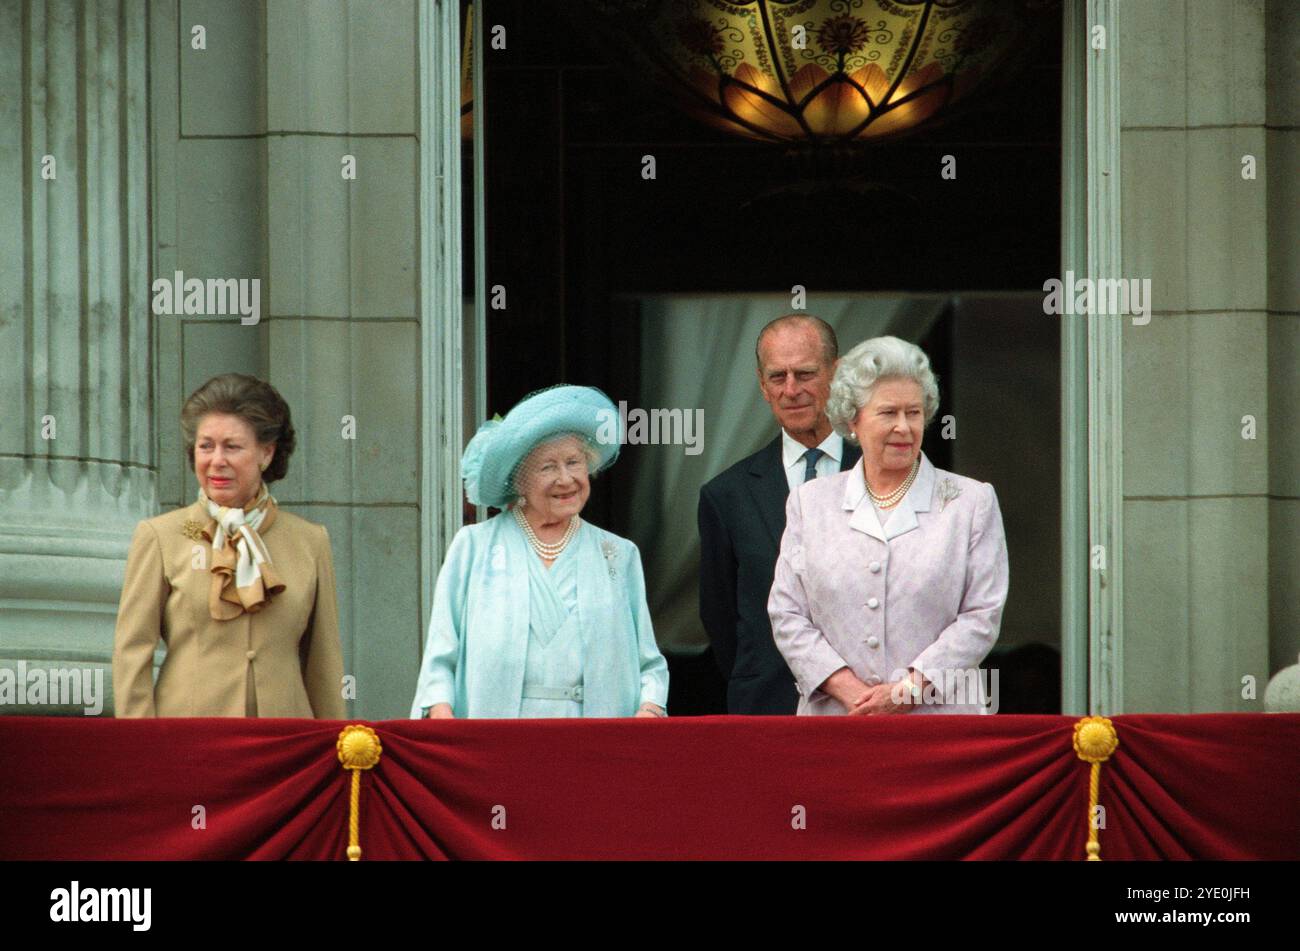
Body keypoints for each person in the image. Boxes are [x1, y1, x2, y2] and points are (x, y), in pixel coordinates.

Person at [769, 336, 1009, 715]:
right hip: (838, 721)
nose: (904, 428)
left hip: (938, 725)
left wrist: (905, 692)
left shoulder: (969, 502)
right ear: (854, 420)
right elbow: (787, 613)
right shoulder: (810, 503)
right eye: (888, 413)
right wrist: (848, 690)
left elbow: (981, 616)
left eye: (913, 413)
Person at [410, 385, 669, 719]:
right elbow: (440, 654)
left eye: (574, 462)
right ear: (518, 481)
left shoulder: (618, 554)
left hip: (594, 740)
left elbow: (648, 662)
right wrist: (443, 716)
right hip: (496, 736)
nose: (566, 479)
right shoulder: (473, 547)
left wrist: (649, 710)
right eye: (548, 467)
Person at [113, 374, 345, 718]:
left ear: (266, 453)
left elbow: (323, 664)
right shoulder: (161, 536)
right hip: (189, 744)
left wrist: (334, 753)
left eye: (232, 447)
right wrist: (144, 752)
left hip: (286, 745)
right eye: (206, 446)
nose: (216, 460)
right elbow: (132, 654)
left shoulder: (310, 541)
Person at [698, 314, 861, 714]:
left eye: (805, 374)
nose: (791, 390)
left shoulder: (882, 474)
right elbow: (721, 619)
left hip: (867, 702)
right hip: (767, 708)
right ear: (761, 384)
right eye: (777, 377)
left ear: (836, 374)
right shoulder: (726, 495)